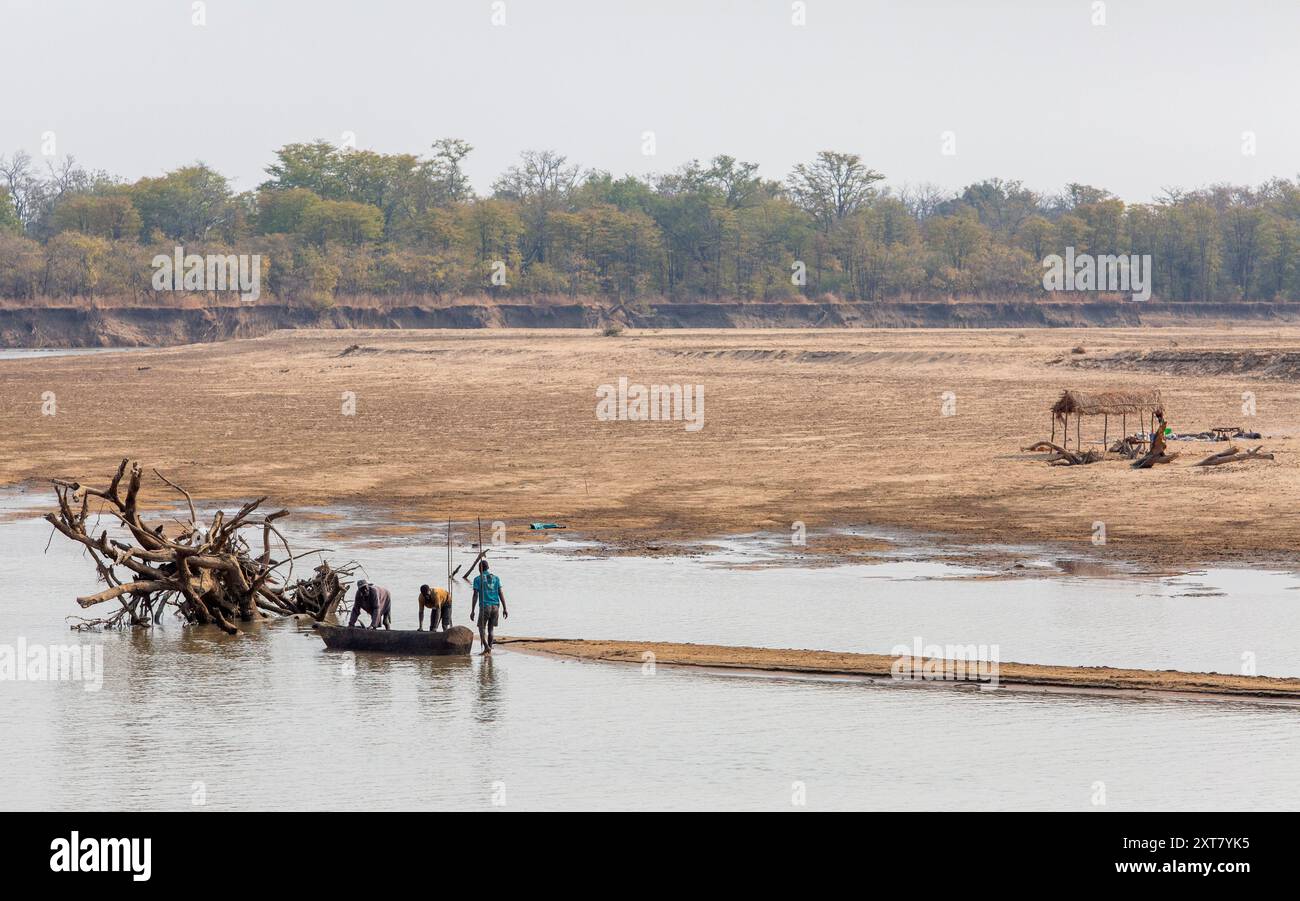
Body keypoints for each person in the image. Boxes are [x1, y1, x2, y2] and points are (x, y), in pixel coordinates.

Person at [470, 560, 507, 652]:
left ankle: (486, 646)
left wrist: (472, 610)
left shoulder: (478, 579)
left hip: (485, 606)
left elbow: (475, 595)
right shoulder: (496, 578)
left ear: (480, 568)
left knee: (481, 627)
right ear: (488, 568)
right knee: (491, 629)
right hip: (495, 607)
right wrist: (505, 608)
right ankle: (490, 647)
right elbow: (500, 593)